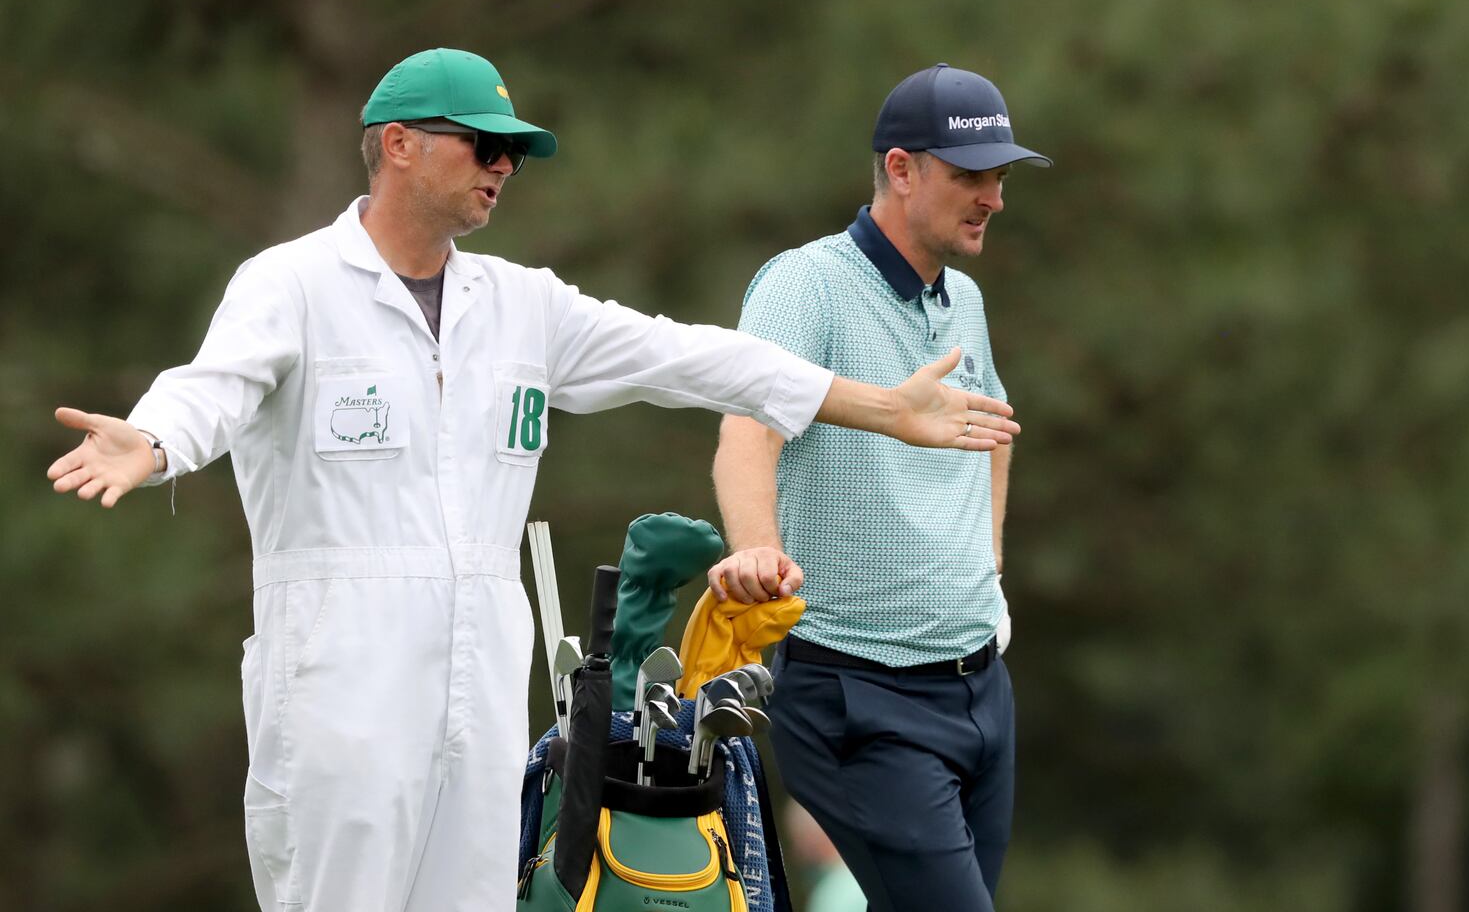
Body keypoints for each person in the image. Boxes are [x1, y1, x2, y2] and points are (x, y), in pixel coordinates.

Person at [44, 48, 1020, 912]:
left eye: (512, 151)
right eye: (479, 145)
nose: (502, 166)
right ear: (396, 146)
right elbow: (209, 390)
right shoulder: (291, 284)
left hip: (478, 689)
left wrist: (879, 407)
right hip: (339, 688)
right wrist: (152, 440)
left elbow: (699, 359)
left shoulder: (519, 305)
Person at [708, 63, 1051, 911]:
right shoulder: (807, 285)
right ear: (902, 170)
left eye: (1000, 177)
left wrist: (990, 572)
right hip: (860, 691)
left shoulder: (961, 298)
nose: (994, 198)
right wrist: (760, 550)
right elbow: (744, 433)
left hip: (979, 687)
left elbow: (993, 430)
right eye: (972, 175)